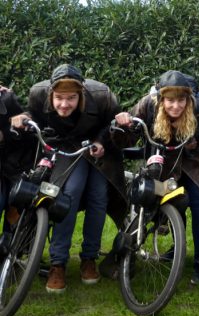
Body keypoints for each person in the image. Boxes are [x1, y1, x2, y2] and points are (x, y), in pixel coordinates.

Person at [11, 64, 128, 293]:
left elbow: (112, 121)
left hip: (96, 150)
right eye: (59, 98)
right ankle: (58, 263)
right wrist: (22, 118)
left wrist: (101, 141)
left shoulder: (101, 94)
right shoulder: (37, 93)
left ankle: (89, 258)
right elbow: (33, 115)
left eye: (71, 98)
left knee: (99, 196)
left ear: (81, 95)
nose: (64, 104)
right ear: (51, 95)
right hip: (64, 148)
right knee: (68, 195)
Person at [114, 70, 199, 284]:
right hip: (164, 164)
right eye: (170, 101)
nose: (176, 106)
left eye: (181, 100)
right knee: (171, 205)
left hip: (197, 164)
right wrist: (125, 124)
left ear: (189, 98)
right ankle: (177, 250)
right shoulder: (147, 105)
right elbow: (128, 136)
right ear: (160, 99)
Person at [0, 85, 31, 254]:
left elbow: (25, 132)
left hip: (13, 165)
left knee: (14, 204)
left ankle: (12, 252)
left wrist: (4, 134)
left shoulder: (7, 99)